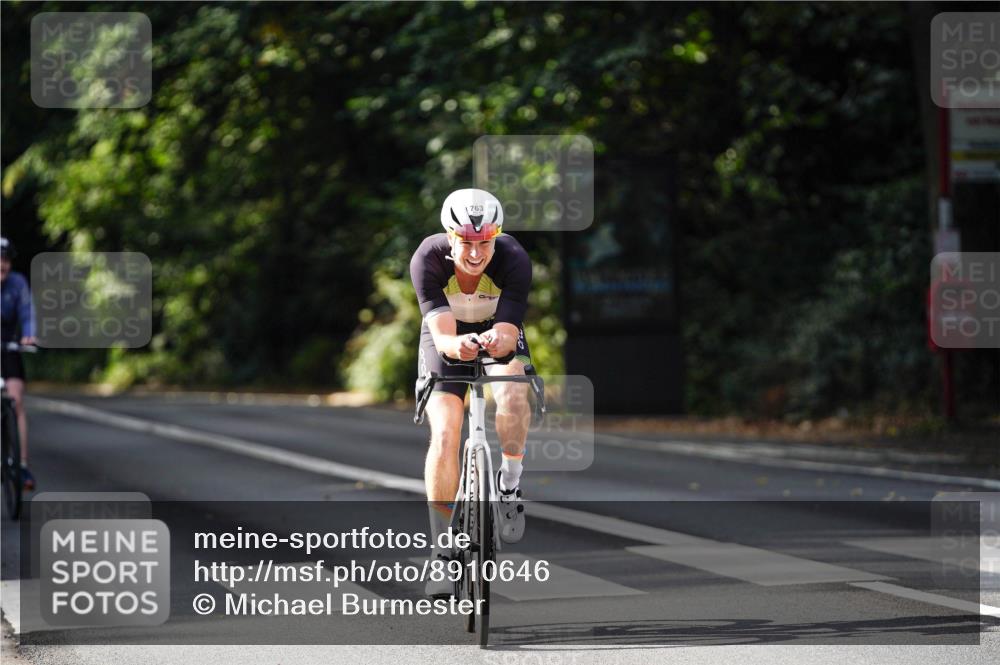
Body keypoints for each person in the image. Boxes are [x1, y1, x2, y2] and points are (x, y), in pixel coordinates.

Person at [410, 189, 532, 598]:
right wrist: (454, 346)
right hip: (446, 333)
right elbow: (441, 334)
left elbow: (509, 330)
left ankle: (510, 483)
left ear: (497, 235)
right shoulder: (427, 257)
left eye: (485, 241)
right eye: (466, 241)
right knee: (446, 431)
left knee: (514, 395)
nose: (477, 252)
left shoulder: (513, 257)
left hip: (497, 327)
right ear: (449, 235)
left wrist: (498, 340)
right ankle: (443, 551)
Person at [0, 237, 37, 490]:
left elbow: (27, 312)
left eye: (6, 259)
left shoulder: (18, 283)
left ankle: (22, 466)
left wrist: (29, 333)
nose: (2, 264)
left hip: (9, 346)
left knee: (17, 400)